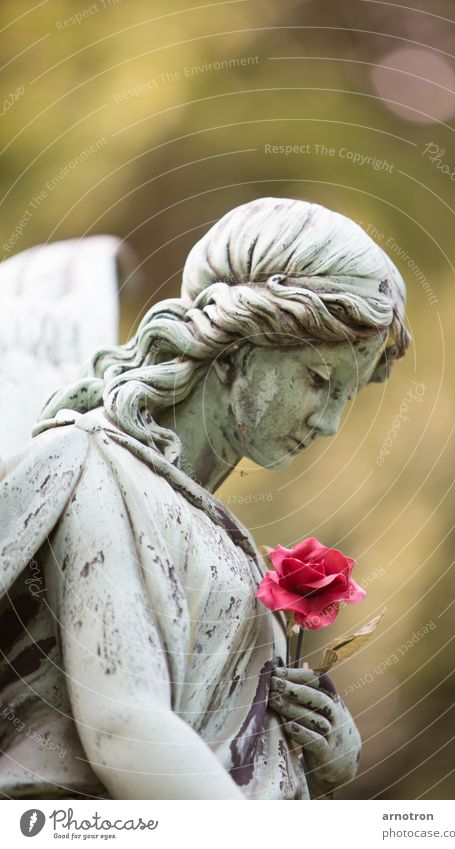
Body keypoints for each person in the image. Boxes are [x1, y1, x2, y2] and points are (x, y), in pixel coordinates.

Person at [0, 197, 410, 799]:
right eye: (319, 381)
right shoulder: (97, 468)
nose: (328, 424)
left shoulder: (224, 543)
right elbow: (126, 728)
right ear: (235, 350)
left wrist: (319, 754)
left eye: (345, 396)